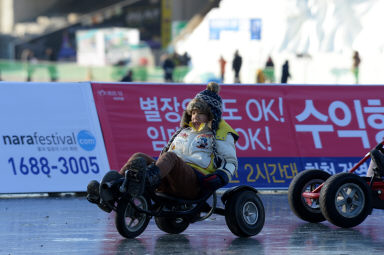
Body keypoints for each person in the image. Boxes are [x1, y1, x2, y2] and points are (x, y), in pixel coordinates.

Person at [87, 82, 239, 209]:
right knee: (138, 157)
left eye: (200, 113)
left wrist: (222, 176)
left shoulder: (220, 133)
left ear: (212, 115)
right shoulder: (184, 131)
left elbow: (230, 161)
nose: (195, 117)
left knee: (170, 157)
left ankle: (145, 182)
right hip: (170, 178)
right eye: (193, 113)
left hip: (195, 181)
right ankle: (111, 190)